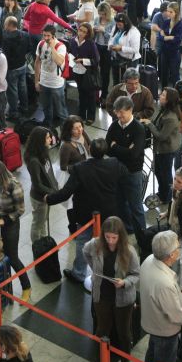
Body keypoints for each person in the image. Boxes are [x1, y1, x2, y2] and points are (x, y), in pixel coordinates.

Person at [83, 216, 140, 362]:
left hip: (123, 298)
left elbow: (136, 274)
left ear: (120, 236)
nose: (110, 241)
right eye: (107, 237)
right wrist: (94, 269)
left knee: (124, 332)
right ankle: (99, 359)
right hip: (102, 295)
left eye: (114, 237)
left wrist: (125, 282)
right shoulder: (95, 244)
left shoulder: (129, 251)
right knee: (101, 329)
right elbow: (85, 251)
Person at [140, 230, 182, 362]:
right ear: (171, 255)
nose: (180, 248)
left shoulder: (149, 260)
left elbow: (174, 291)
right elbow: (175, 314)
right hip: (165, 331)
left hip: (152, 324)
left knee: (151, 358)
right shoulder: (164, 283)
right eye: (178, 247)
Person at [0, 159, 31, 302]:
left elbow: (20, 209)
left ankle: (26, 287)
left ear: (0, 173)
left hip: (10, 224)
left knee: (12, 257)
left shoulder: (13, 185)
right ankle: (6, 289)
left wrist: (4, 221)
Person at [106, 96, 147, 236]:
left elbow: (134, 155)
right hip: (117, 171)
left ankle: (142, 234)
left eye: (121, 112)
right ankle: (128, 229)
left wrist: (115, 146)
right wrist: (125, 149)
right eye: (116, 112)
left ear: (130, 110)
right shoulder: (114, 125)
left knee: (136, 206)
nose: (118, 115)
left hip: (132, 172)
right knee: (120, 203)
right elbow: (107, 147)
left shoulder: (138, 129)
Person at [34, 24, 69, 127]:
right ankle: (48, 129)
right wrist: (36, 81)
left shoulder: (61, 46)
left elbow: (59, 61)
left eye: (48, 36)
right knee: (46, 108)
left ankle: (65, 131)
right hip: (44, 82)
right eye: (44, 35)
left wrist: (52, 47)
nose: (46, 38)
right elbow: (37, 62)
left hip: (56, 84)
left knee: (61, 111)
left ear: (54, 35)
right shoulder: (41, 44)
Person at [67, 23, 99, 124]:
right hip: (77, 70)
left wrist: (82, 60)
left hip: (88, 73)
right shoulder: (73, 40)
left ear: (88, 34)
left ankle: (91, 116)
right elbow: (70, 53)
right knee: (81, 93)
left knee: (90, 95)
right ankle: (81, 114)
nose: (81, 33)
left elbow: (96, 60)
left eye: (84, 32)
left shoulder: (90, 43)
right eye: (80, 30)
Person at [1, 17, 31, 120]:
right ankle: (24, 107)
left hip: (11, 68)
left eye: (5, 24)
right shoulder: (26, 35)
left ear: (10, 25)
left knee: (12, 91)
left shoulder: (6, 38)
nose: (4, 27)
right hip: (23, 65)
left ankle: (13, 112)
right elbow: (29, 49)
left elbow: (5, 55)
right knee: (23, 88)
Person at [108, 13, 142, 84]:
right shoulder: (116, 27)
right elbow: (111, 38)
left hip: (129, 61)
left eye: (120, 25)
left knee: (128, 82)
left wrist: (121, 48)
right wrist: (111, 45)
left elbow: (135, 49)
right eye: (117, 24)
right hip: (117, 58)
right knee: (116, 81)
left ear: (126, 23)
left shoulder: (134, 32)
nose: (118, 26)